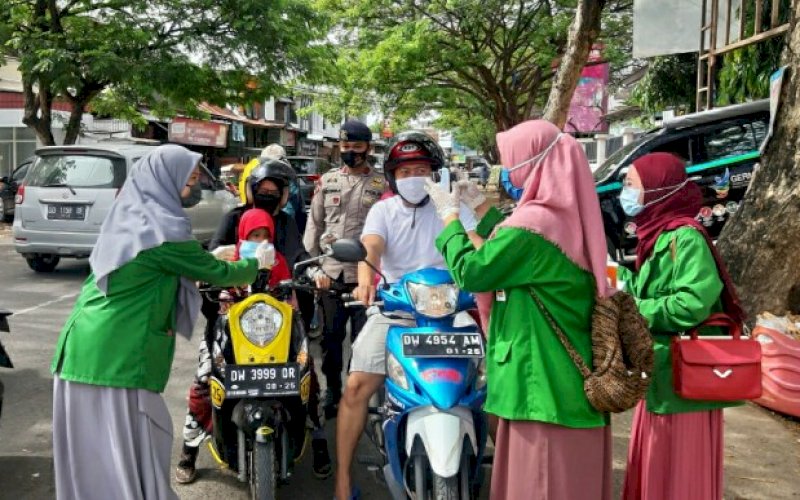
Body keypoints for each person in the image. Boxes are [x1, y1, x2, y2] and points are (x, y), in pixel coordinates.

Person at [50, 145, 273, 500]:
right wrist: (256, 263)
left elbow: (160, 264)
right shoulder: (162, 228)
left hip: (86, 346)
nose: (194, 189)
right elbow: (215, 271)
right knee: (131, 444)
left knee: (100, 454)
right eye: (190, 181)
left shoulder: (134, 213)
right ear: (164, 181)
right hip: (114, 354)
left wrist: (203, 257)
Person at [424, 120, 614, 500]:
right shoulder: (562, 218)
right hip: (563, 383)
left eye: (512, 162)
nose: (507, 172)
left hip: (540, 387)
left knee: (539, 485)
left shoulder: (534, 226)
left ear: (536, 162)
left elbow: (475, 271)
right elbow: (512, 246)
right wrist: (482, 209)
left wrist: (448, 217)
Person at [334, 130, 453, 500]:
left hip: (451, 311)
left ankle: (512, 479)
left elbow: (477, 244)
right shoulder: (382, 210)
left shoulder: (451, 208)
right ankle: (341, 482)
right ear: (392, 177)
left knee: (487, 389)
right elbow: (371, 247)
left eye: (421, 169)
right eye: (404, 172)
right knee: (355, 388)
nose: (413, 178)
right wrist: (366, 281)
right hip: (395, 309)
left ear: (435, 174)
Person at [619, 153, 745, 500]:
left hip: (685, 377)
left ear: (658, 190)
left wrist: (634, 309)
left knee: (680, 471)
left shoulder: (685, 238)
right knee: (658, 463)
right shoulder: (658, 236)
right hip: (661, 372)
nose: (625, 192)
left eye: (632, 184)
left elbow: (690, 303)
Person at [176, 206, 332, 482]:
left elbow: (295, 302)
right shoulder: (226, 261)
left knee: (309, 380)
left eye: (265, 236)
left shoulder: (282, 263)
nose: (260, 242)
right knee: (203, 383)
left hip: (277, 339)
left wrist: (315, 277)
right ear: (242, 236)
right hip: (229, 339)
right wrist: (204, 277)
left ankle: (319, 443)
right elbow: (204, 284)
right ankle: (188, 450)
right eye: (253, 235)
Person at [303, 119, 387, 416]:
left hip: (366, 276)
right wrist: (315, 268)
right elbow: (313, 225)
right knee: (330, 339)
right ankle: (334, 392)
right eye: (345, 146)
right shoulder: (328, 181)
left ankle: (356, 392)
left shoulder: (382, 185)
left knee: (364, 342)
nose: (350, 152)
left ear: (369, 148)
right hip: (331, 274)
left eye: (357, 146)